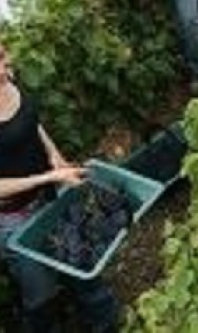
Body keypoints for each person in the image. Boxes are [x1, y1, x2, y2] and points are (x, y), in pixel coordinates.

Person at [0, 43, 122, 332]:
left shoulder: (8, 80)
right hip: (14, 220)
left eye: (1, 58)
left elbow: (32, 124)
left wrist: (56, 158)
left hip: (49, 197)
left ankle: (107, 324)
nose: (2, 70)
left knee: (80, 262)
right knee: (40, 295)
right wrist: (49, 177)